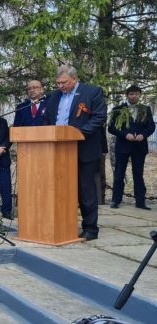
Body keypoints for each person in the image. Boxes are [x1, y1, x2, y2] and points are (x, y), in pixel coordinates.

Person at [43, 65, 107, 241]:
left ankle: (90, 229)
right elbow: (47, 118)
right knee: (60, 190)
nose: (60, 86)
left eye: (64, 83)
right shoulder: (53, 96)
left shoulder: (92, 92)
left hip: (84, 148)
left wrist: (78, 134)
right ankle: (62, 226)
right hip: (57, 151)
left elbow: (99, 117)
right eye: (57, 83)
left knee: (86, 190)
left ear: (74, 79)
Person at [108, 85, 155, 210]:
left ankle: (140, 202)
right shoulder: (118, 109)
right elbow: (112, 127)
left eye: (136, 94)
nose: (134, 96)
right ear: (127, 95)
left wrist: (143, 135)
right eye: (131, 94)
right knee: (119, 173)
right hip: (123, 146)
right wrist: (125, 135)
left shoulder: (145, 109)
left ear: (139, 95)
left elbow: (151, 127)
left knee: (138, 174)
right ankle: (116, 200)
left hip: (139, 147)